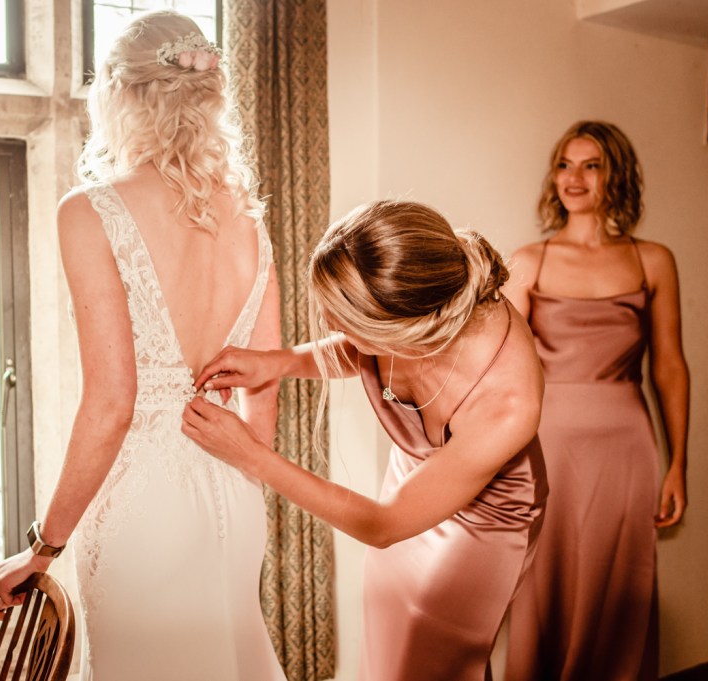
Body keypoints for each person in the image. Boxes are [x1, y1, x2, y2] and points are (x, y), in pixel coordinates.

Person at [0, 11, 286, 681]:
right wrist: (236, 466)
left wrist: (43, 546)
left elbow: (113, 401)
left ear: (119, 92)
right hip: (234, 492)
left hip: (146, 504)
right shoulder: (248, 220)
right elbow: (265, 392)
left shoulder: (91, 210)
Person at [183, 200, 548, 681]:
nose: (336, 330)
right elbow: (369, 349)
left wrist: (252, 456)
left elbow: (384, 524)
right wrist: (278, 362)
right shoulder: (422, 303)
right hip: (411, 484)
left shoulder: (508, 404)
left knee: (434, 661)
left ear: (404, 329)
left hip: (485, 524)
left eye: (348, 323)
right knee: (390, 640)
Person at [503, 120, 690, 680]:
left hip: (626, 446)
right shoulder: (528, 261)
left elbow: (671, 367)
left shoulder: (652, 260)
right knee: (544, 581)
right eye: (565, 164)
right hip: (546, 443)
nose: (574, 178)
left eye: (591, 165)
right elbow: (505, 371)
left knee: (618, 583)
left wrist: (679, 464)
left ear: (617, 176)